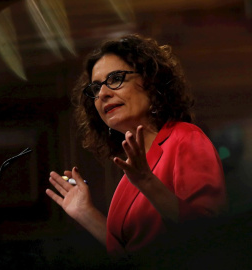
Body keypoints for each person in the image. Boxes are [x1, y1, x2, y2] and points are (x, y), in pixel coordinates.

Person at [45, 33, 228, 268]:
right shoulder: (130, 173)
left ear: (151, 83)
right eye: (96, 87)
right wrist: (85, 212)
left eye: (116, 78)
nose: (103, 94)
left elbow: (210, 233)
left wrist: (147, 182)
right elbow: (128, 256)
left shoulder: (185, 138)